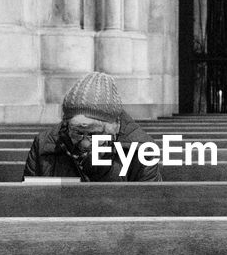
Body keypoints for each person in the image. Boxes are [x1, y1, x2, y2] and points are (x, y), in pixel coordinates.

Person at [24, 71, 162, 181]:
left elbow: (149, 206)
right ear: (66, 125)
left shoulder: (142, 150)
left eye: (93, 135)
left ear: (112, 128)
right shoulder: (43, 144)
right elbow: (29, 201)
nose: (84, 143)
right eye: (77, 132)